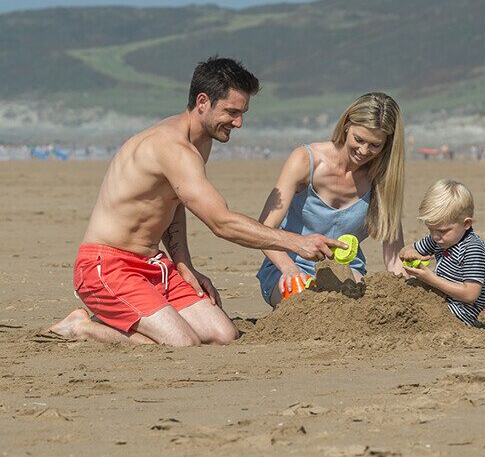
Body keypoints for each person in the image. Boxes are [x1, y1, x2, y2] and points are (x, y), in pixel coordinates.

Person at [45, 56, 343, 346]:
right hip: (105, 266)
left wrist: (184, 265)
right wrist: (296, 243)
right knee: (181, 342)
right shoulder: (171, 147)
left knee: (223, 334)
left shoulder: (201, 142)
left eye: (243, 113)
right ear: (203, 102)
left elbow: (173, 202)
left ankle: (136, 314)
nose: (238, 122)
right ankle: (83, 327)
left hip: (153, 265)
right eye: (231, 112)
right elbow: (221, 222)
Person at [255, 92, 406, 307]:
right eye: (359, 139)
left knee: (356, 310)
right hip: (289, 267)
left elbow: (394, 259)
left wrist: (406, 292)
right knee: (307, 307)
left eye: (375, 145)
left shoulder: (383, 181)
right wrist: (290, 270)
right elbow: (264, 228)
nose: (364, 151)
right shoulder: (305, 160)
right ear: (346, 125)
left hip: (348, 272)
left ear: (387, 145)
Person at [399, 180, 485, 328]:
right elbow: (404, 250)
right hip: (440, 301)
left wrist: (431, 279)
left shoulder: (473, 249)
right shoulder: (440, 240)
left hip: (459, 314)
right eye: (431, 230)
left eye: (442, 231)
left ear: (466, 224)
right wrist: (411, 253)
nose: (435, 236)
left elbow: (470, 295)